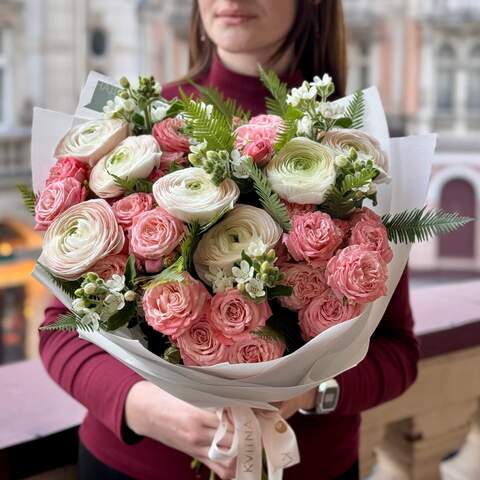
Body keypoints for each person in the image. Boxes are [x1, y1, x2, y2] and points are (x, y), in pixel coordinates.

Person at [39, 1, 419, 479]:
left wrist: (308, 393)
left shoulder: (355, 152)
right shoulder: (133, 132)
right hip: (134, 465)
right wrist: (143, 406)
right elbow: (58, 330)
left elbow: (398, 353)